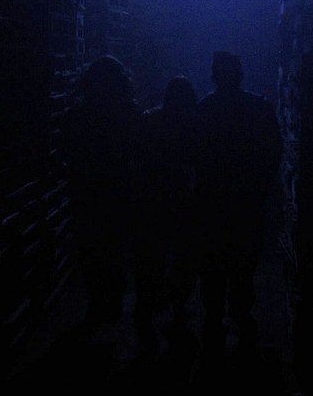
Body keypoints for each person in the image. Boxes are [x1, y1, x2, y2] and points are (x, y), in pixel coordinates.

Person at [194, 51, 283, 362]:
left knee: (213, 263)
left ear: (215, 75)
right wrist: (262, 188)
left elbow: (193, 154)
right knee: (244, 261)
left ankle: (214, 316)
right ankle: (242, 313)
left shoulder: (205, 109)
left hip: (213, 201)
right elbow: (274, 150)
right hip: (247, 200)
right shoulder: (258, 108)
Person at [61, 55, 139, 326]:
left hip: (87, 191)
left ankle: (98, 300)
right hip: (118, 189)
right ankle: (112, 299)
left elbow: (67, 152)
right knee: (114, 245)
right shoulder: (130, 112)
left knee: (91, 246)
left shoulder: (77, 115)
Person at [131, 75, 201, 363]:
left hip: (152, 202)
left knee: (152, 258)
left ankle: (147, 312)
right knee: (183, 258)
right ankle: (178, 308)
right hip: (181, 201)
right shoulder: (193, 125)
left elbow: (137, 160)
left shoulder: (150, 121)